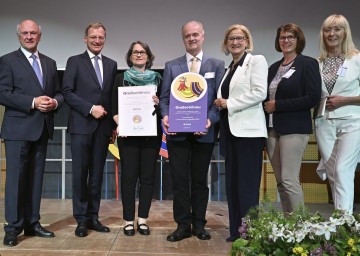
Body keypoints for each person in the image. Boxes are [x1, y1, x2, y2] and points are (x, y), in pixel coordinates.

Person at [159, 20, 225, 242]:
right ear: (183, 38)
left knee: (199, 181)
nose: (192, 38)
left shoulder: (217, 65)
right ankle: (182, 225)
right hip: (177, 133)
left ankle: (199, 224)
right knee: (179, 181)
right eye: (188, 35)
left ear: (203, 36)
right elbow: (165, 99)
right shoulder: (171, 65)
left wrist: (209, 120)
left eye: (195, 34)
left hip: (204, 133)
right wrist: (165, 115)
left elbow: (217, 101)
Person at [0, 19, 63, 246]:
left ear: (39, 36)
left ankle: (32, 223)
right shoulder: (7, 61)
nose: (29, 36)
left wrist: (55, 103)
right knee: (16, 181)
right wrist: (33, 102)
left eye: (33, 33)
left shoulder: (49, 62)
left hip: (42, 129)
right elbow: (3, 93)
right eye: (25, 33)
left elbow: (58, 93)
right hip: (17, 130)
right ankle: (12, 228)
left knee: (36, 180)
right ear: (19, 36)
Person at [62, 22, 117, 237]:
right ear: (85, 38)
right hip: (81, 127)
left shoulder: (112, 64)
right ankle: (81, 219)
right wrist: (90, 108)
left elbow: (111, 98)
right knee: (79, 175)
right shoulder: (74, 61)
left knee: (96, 176)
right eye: (93, 37)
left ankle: (94, 217)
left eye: (101, 37)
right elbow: (67, 92)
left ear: (105, 39)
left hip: (103, 130)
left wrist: (112, 125)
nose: (97, 40)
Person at [214, 24, 268, 242]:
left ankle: (250, 232)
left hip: (249, 134)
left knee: (247, 186)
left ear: (247, 41)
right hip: (229, 132)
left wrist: (229, 102)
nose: (235, 42)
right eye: (231, 39)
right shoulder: (230, 68)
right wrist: (220, 103)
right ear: (226, 43)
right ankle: (236, 231)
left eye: (239, 38)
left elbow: (260, 92)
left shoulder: (257, 61)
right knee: (233, 186)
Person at [263, 23, 321, 215]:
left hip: (294, 128)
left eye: (290, 37)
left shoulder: (308, 64)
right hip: (272, 129)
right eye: (282, 37)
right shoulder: (273, 68)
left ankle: (300, 227)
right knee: (280, 181)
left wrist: (278, 105)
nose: (285, 40)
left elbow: (312, 98)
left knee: (289, 179)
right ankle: (288, 226)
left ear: (298, 40)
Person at [111, 41, 162, 236]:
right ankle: (128, 221)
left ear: (148, 56)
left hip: (150, 135)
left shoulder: (158, 79)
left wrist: (158, 103)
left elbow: (163, 107)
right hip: (128, 136)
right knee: (129, 178)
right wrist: (121, 123)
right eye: (135, 52)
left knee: (148, 178)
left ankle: (142, 220)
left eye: (142, 52)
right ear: (130, 56)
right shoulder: (120, 79)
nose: (139, 55)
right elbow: (114, 107)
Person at [315, 14, 360, 214]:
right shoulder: (318, 63)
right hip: (324, 123)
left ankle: (345, 224)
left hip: (352, 121)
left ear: (345, 32)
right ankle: (340, 221)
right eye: (327, 30)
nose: (332, 34)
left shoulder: (356, 59)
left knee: (342, 170)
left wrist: (346, 99)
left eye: (337, 29)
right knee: (333, 174)